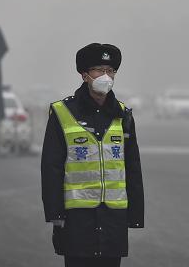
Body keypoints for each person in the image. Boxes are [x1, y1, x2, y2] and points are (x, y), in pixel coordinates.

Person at [41, 43, 144, 267]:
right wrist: (55, 214)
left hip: (113, 218)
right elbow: (51, 167)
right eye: (99, 70)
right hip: (77, 218)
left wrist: (135, 214)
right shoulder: (62, 112)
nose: (106, 76)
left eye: (111, 71)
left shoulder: (123, 115)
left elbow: (132, 166)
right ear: (84, 74)